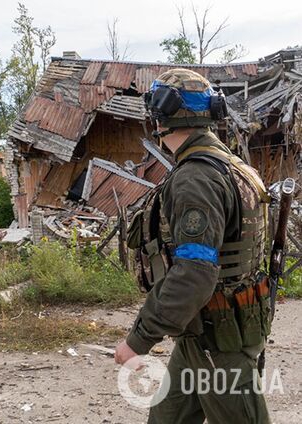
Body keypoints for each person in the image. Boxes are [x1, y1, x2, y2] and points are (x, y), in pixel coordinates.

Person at [116, 68, 271, 423]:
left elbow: (194, 273)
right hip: (201, 333)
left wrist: (138, 340)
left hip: (220, 340)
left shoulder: (196, 179)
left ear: (161, 116)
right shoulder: (233, 166)